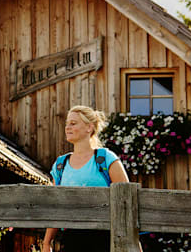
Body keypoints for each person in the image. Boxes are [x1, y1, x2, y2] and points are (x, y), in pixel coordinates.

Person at [41, 105, 130, 252]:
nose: (67, 127)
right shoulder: (60, 165)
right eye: (67, 124)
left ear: (89, 127)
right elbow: (56, 206)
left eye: (73, 123)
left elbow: (127, 200)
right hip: (71, 239)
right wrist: (46, 243)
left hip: (104, 238)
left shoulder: (106, 158)